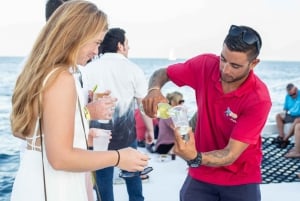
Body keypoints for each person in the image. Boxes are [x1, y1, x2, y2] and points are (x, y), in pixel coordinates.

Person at [10, 1, 149, 201]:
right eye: (95, 42)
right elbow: (60, 158)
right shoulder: (62, 78)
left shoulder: (41, 71)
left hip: (33, 181)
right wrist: (119, 157)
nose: (96, 51)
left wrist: (81, 132)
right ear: (76, 36)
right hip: (55, 186)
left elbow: (27, 130)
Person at [142, 25, 271, 201]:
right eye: (223, 59)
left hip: (241, 178)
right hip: (201, 175)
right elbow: (163, 73)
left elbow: (230, 154)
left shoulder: (259, 98)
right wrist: (154, 89)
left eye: (235, 65)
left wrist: (194, 157)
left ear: (254, 63)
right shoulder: (205, 65)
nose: (225, 69)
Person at [83, 27, 154, 201]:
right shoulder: (134, 69)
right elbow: (143, 105)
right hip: (126, 136)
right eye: (127, 44)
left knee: (103, 184)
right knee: (133, 178)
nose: (129, 48)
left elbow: (83, 104)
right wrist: (150, 129)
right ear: (120, 45)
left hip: (99, 137)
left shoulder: (89, 69)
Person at [155, 91, 184, 160]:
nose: (182, 103)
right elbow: (179, 130)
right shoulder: (169, 114)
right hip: (165, 146)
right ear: (173, 102)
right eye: (180, 101)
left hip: (163, 146)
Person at [274, 83, 300, 148]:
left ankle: (285, 139)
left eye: (294, 94)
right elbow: (285, 109)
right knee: (278, 116)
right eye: (290, 95)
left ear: (296, 90)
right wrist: (284, 114)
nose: (292, 96)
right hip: (291, 115)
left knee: (297, 120)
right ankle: (281, 136)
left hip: (298, 116)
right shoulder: (287, 96)